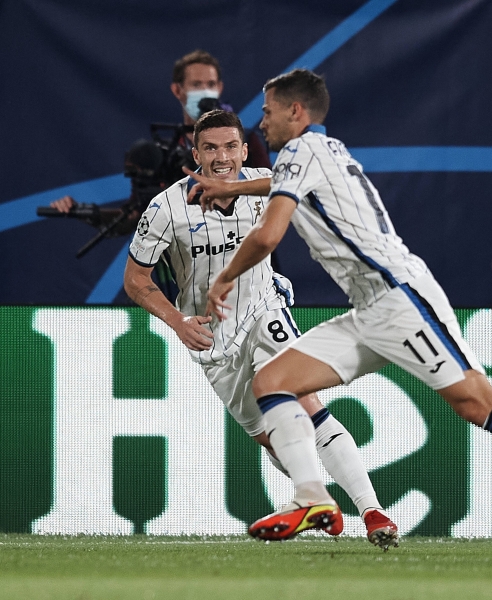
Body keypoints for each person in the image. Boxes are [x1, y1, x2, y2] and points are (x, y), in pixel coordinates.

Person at [194, 69, 492, 561]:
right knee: (272, 381)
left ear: (296, 111)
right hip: (368, 308)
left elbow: (268, 236)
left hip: (400, 300)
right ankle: (311, 495)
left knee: (478, 404)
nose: (261, 122)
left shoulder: (300, 152)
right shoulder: (319, 150)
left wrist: (224, 278)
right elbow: (279, 184)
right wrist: (235, 189)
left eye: (267, 112)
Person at [122, 108, 398, 549]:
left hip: (264, 307)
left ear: (244, 151)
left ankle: (372, 511)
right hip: (213, 338)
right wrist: (177, 321)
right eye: (210, 148)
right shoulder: (166, 208)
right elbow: (136, 280)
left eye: (231, 146)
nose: (221, 157)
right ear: (195, 153)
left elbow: (308, 181)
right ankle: (316, 499)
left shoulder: (262, 186)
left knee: (303, 402)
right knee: (274, 440)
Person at [170, 49, 271, 169]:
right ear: (177, 90)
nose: (205, 92)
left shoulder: (248, 140)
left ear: (219, 88)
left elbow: (267, 178)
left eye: (211, 84)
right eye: (196, 84)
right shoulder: (170, 151)